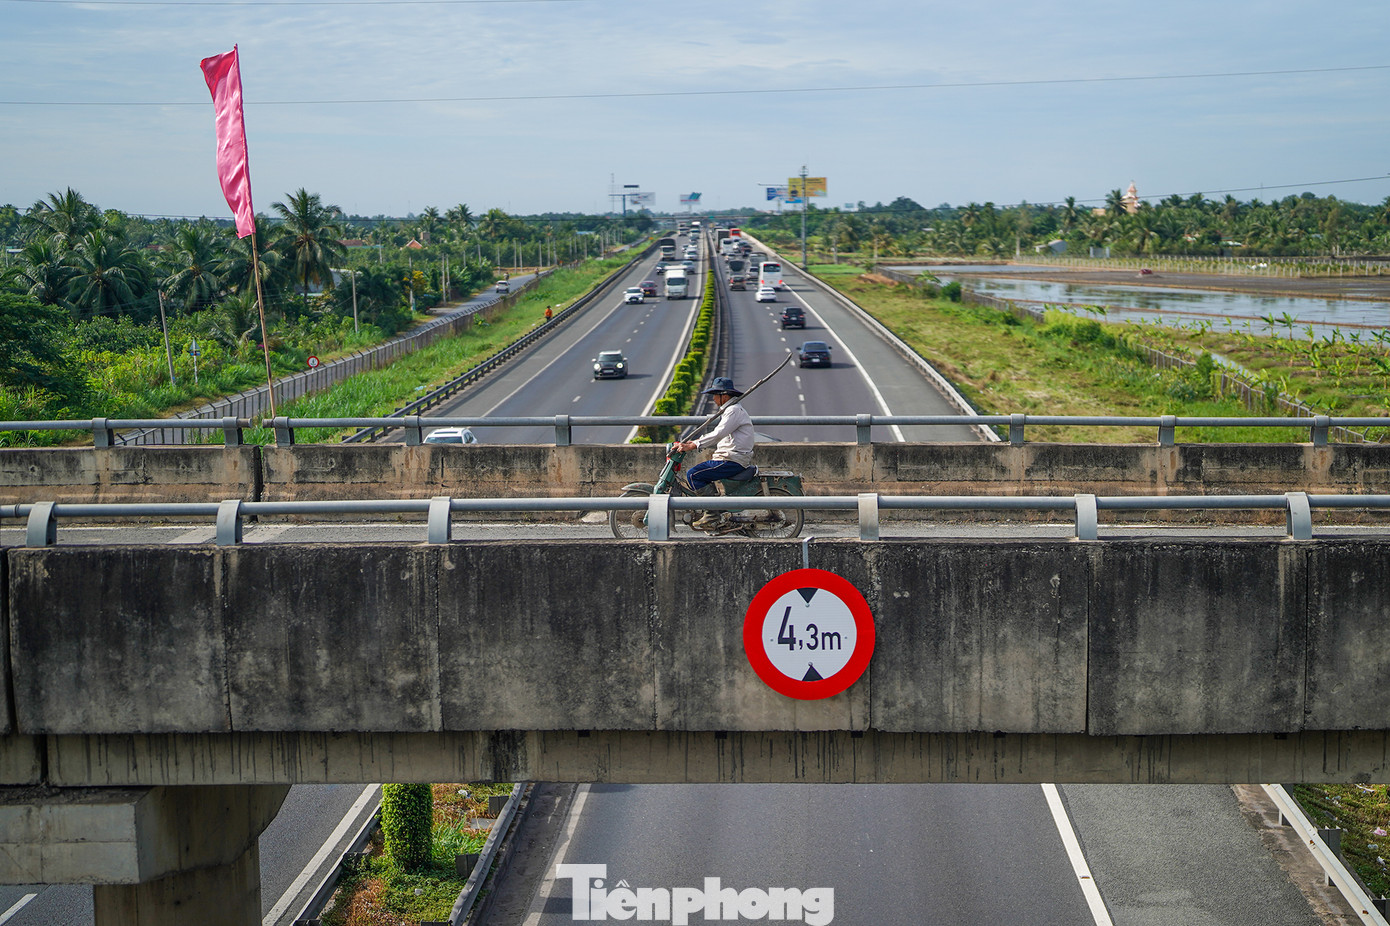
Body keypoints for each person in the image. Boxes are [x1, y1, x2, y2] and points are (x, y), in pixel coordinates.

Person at [675, 377, 755, 530]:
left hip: (732, 459)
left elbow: (718, 434)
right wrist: (695, 441)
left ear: (724, 396)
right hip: (730, 457)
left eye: (715, 395)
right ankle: (714, 506)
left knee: (693, 474)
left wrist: (693, 444)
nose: (713, 399)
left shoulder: (733, 411)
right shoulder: (729, 410)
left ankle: (712, 513)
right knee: (701, 474)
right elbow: (717, 434)